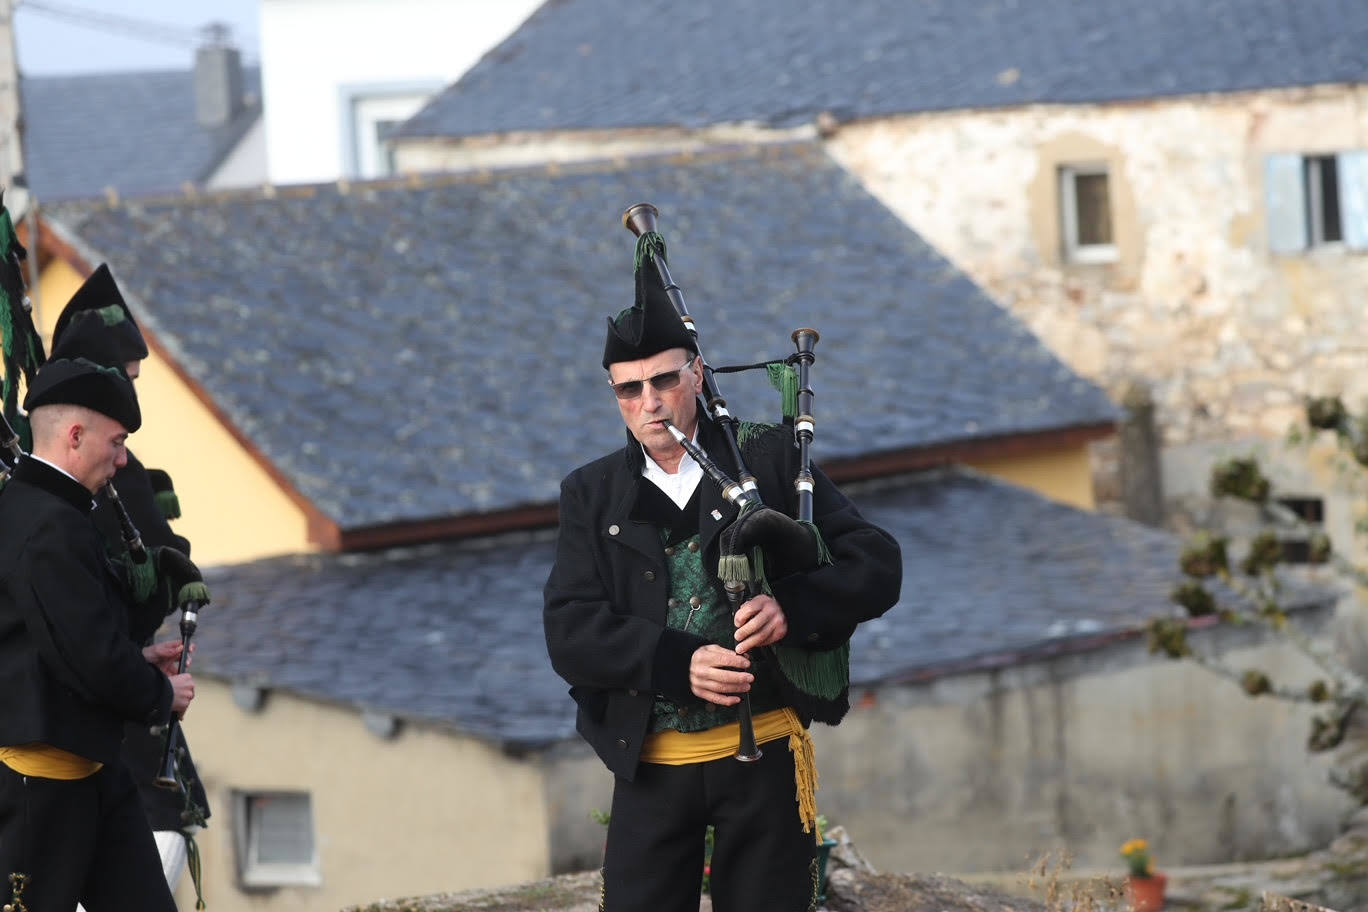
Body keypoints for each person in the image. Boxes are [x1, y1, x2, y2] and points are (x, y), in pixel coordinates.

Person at [543, 240, 902, 912]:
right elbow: (571, 633)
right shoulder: (590, 494)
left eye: (666, 380)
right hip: (652, 770)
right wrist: (678, 662)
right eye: (630, 388)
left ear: (698, 375)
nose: (651, 403)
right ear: (615, 393)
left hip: (763, 758)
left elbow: (876, 562)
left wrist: (791, 607)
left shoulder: (764, 458)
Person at [0, 356, 195, 912]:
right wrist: (162, 693)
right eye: (116, 441)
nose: (123, 457)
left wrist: (141, 657)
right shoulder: (47, 524)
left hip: (90, 767)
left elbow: (61, 640)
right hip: (44, 783)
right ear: (76, 435)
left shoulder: (49, 511)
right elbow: (88, 657)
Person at [48, 263, 211, 903]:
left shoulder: (121, 468)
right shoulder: (52, 497)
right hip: (80, 733)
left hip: (126, 699)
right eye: (127, 383)